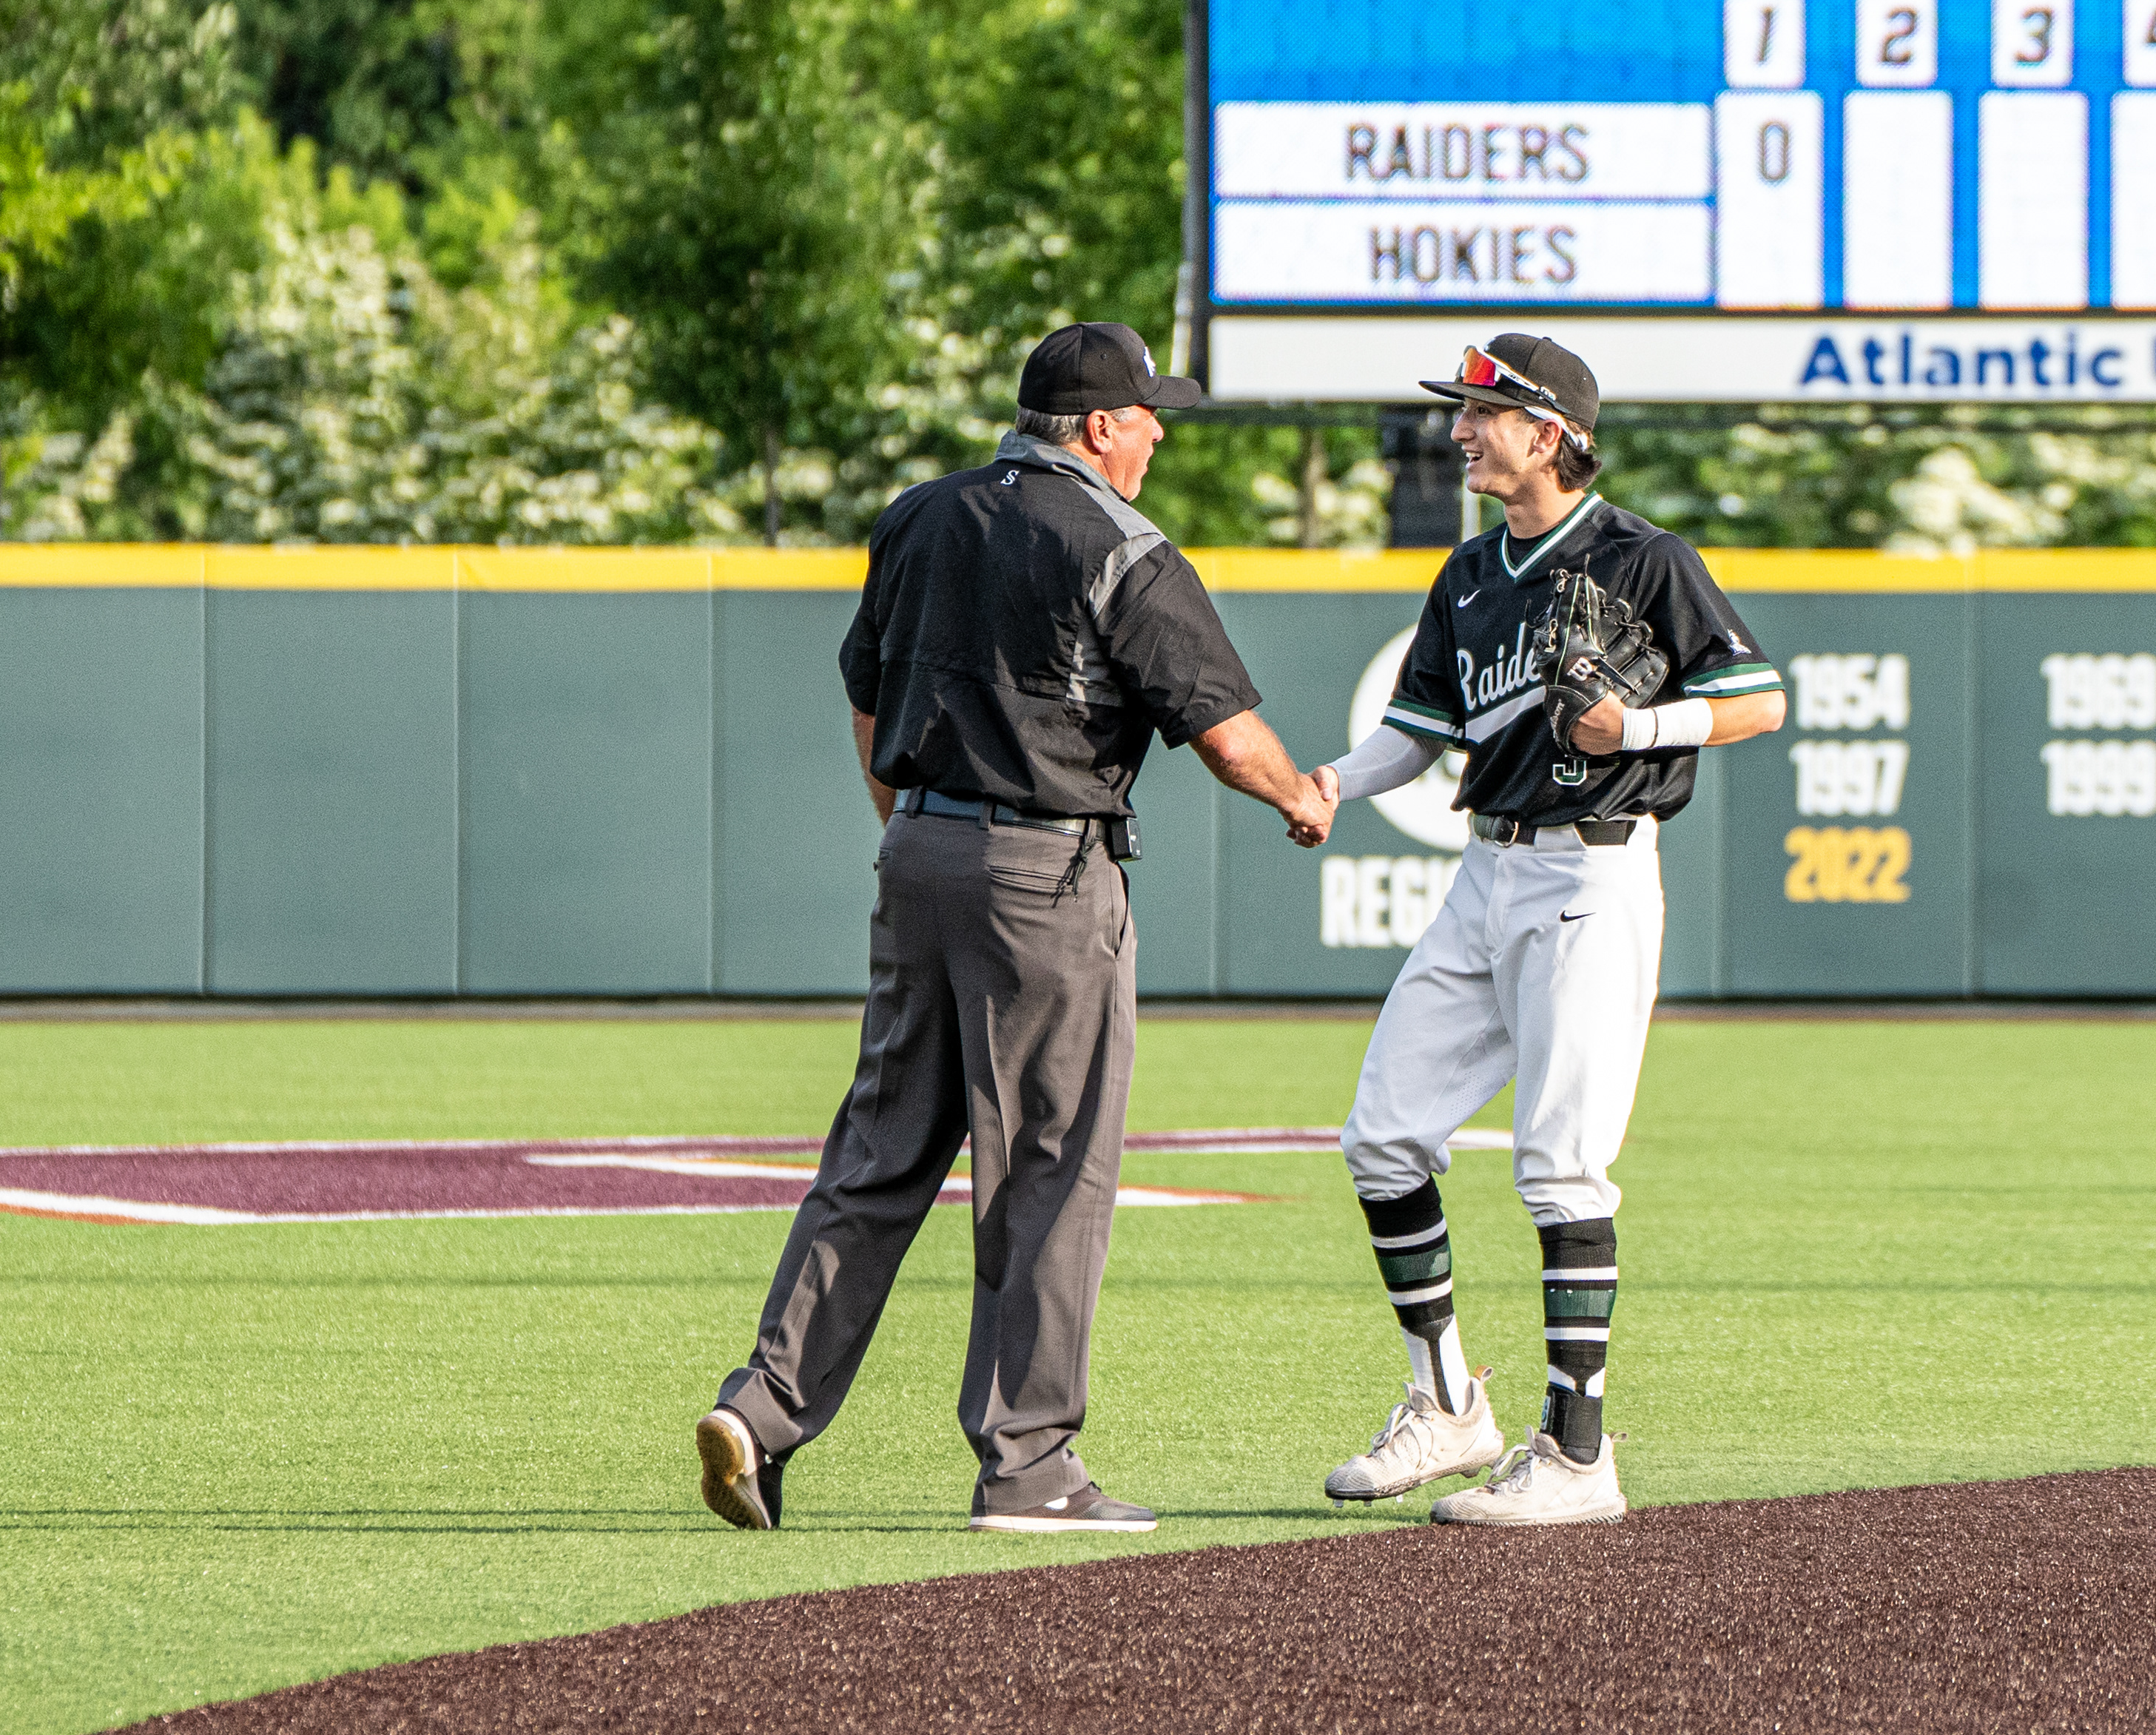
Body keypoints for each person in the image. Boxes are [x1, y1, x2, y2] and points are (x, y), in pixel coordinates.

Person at [695, 322, 1335, 1534]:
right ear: (1098, 426)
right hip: (1044, 873)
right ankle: (1030, 1466)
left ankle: (762, 1410)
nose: (1158, 435)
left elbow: (868, 699)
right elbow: (1223, 731)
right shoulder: (1121, 544)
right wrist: (1299, 797)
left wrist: (915, 829)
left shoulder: (920, 515)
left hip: (917, 852)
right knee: (1050, 1166)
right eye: (1148, 415)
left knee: (879, 1155)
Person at [1310, 333, 1786, 1526]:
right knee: (1383, 1137)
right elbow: (1417, 735)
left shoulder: (1644, 557)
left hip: (1593, 871)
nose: (1461, 431)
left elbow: (1758, 700)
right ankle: (1447, 1407)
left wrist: (1637, 730)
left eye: (1485, 413)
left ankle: (1578, 1458)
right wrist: (1326, 784)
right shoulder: (1471, 572)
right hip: (1487, 871)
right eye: (1463, 413)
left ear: (1552, 432)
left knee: (1561, 1167)